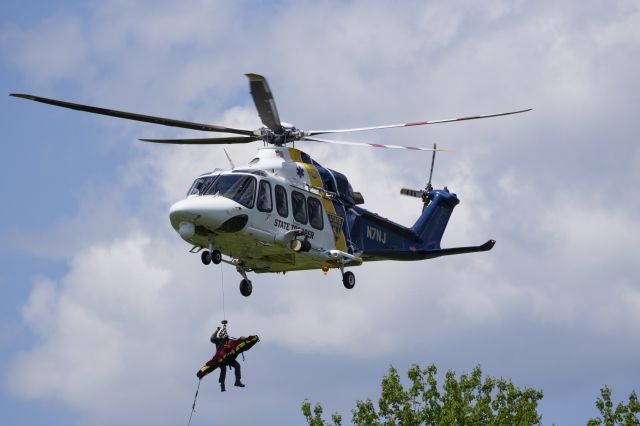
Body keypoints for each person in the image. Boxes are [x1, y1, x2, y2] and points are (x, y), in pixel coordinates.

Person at [210, 322, 244, 392]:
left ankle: (237, 381)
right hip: (221, 358)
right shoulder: (218, 340)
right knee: (223, 369)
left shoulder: (230, 340)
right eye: (222, 334)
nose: (224, 335)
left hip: (229, 357)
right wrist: (217, 330)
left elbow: (237, 341)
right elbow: (212, 338)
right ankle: (222, 384)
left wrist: (242, 339)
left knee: (237, 366)